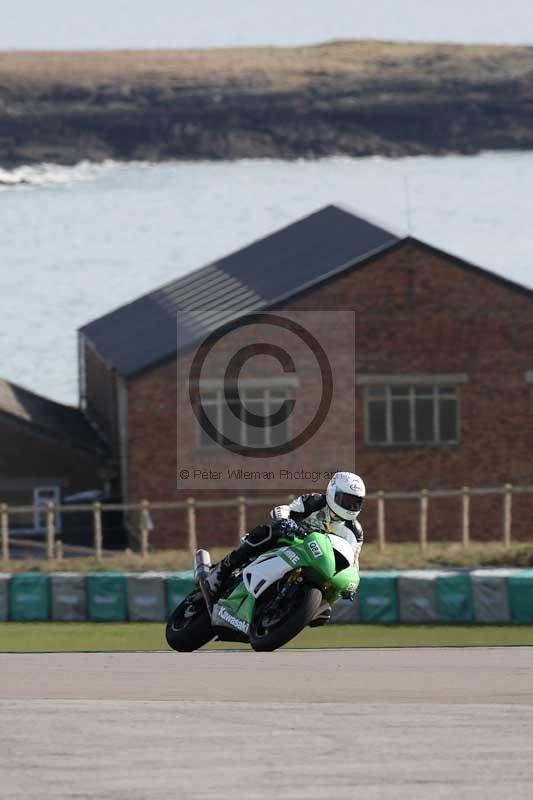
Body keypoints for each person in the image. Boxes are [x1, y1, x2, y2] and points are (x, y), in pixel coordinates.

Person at [206, 471, 366, 616]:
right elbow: (284, 509)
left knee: (324, 611)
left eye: (355, 502)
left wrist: (350, 585)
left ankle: (297, 610)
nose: (350, 506)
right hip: (291, 542)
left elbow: (353, 563)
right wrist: (283, 521)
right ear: (333, 492)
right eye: (346, 499)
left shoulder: (355, 532)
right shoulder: (315, 501)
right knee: (265, 533)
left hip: (318, 563)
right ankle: (221, 570)